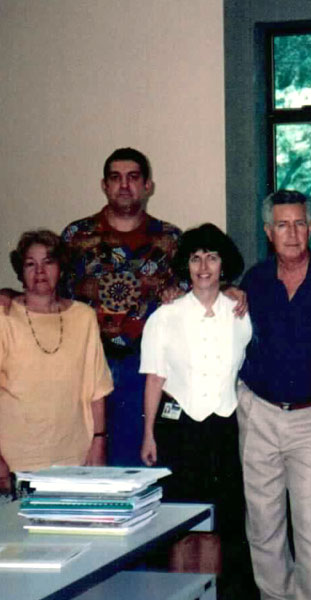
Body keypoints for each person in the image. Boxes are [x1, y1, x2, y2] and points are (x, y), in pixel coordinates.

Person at [237, 189, 311, 600]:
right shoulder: (253, 280)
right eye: (282, 225)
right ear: (269, 232)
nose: (292, 233)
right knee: (264, 524)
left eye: (300, 223)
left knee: (308, 523)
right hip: (260, 415)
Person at [139, 223, 251, 576]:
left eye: (212, 258)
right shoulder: (165, 316)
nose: (204, 267)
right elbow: (155, 378)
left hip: (223, 430)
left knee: (216, 524)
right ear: (185, 266)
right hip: (180, 431)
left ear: (223, 265)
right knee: (181, 525)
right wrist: (148, 434)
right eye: (196, 259)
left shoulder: (241, 315)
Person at [59, 147, 182, 466]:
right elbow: (48, 291)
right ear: (104, 185)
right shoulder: (76, 237)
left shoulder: (170, 241)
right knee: (82, 466)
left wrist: (234, 291)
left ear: (148, 186)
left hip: (143, 371)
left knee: (135, 469)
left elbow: (201, 289)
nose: (124, 185)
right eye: (115, 178)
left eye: (133, 178)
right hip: (86, 365)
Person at [0, 230, 113, 491]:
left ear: (61, 268)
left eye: (48, 262)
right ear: (20, 270)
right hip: (17, 461)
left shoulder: (83, 317)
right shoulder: (5, 319)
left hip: (75, 460)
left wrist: (99, 441)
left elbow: (97, 387)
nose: (40, 271)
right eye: (31, 263)